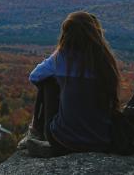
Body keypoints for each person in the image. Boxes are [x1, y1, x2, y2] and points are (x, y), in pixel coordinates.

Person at [20, 11, 121, 157]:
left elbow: (35, 76)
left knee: (47, 82)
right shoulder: (105, 62)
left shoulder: (62, 58)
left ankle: (36, 131)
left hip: (63, 139)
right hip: (101, 139)